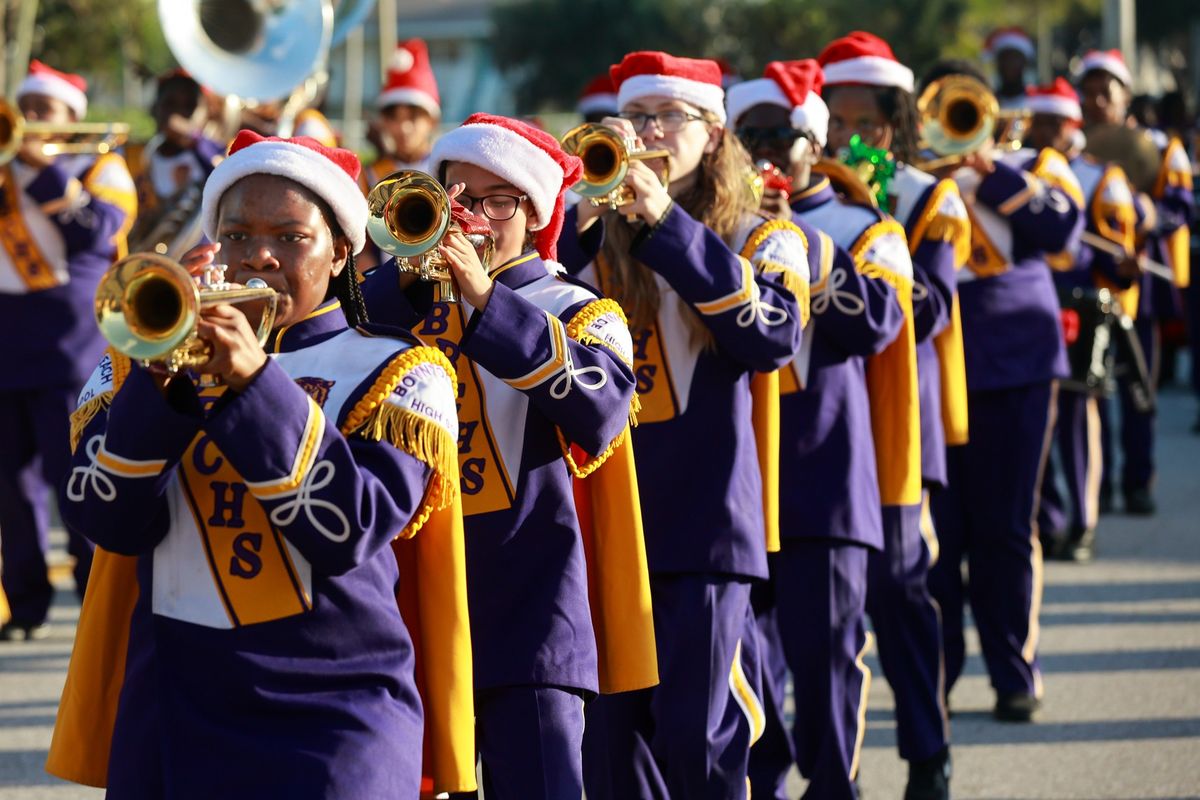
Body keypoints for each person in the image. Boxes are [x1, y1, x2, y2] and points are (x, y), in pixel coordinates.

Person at [48, 130, 472, 798]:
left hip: (335, 717)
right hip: (175, 711)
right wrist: (156, 388)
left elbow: (344, 531)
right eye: (238, 236)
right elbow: (106, 519)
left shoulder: (400, 372)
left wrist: (254, 385)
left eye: (290, 237)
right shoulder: (139, 366)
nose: (260, 257)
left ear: (340, 253)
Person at [362, 114, 651, 800]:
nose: (473, 217)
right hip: (418, 611)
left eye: (497, 200)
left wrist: (486, 301)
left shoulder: (576, 306)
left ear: (535, 211)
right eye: (455, 196)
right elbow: (338, 334)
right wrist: (404, 278)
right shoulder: (394, 306)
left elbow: (602, 410)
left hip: (535, 610)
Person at [561, 50, 808, 800]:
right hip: (612, 521)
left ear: (715, 130)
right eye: (634, 117)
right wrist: (575, 227)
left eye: (669, 117)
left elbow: (770, 335)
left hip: (705, 524)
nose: (648, 133)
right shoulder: (594, 233)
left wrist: (664, 221)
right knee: (609, 751)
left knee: (699, 742)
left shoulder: (764, 233)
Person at [730, 57, 906, 800]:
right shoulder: (715, 227)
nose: (765, 151)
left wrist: (801, 242)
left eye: (780, 134)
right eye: (749, 135)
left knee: (826, 661)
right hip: (738, 483)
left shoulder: (865, 224)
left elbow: (882, 322)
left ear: (813, 140)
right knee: (747, 672)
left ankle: (837, 788)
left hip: (821, 476)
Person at [819, 31, 969, 798]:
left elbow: (935, 305)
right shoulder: (802, 187)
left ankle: (927, 748)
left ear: (896, 123)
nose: (849, 137)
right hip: (820, 426)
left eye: (865, 124)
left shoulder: (924, 196)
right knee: (822, 614)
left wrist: (871, 232)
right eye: (836, 120)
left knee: (903, 591)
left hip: (898, 419)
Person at [921, 59, 1084, 723]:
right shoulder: (911, 177)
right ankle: (938, 681)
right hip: (936, 368)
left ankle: (1016, 674)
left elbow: (1064, 231)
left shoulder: (1034, 164)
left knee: (1008, 529)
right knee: (942, 537)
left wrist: (988, 169)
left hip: (1016, 362)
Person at [0, 60, 136, 640]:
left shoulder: (100, 165)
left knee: (74, 475)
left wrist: (46, 173)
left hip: (70, 345)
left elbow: (97, 230)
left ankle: (92, 597)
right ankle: (26, 602)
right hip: (7, 340)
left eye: (43, 110)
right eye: (25, 108)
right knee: (11, 484)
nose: (30, 120)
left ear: (71, 119)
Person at [1024, 78, 1139, 561]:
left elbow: (1117, 254)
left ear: (1074, 126)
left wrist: (1123, 265)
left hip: (1079, 306)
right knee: (1033, 419)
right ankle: (1046, 519)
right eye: (1042, 121)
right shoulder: (1018, 168)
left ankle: (1083, 521)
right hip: (1029, 307)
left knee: (1075, 416)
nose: (1049, 130)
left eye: (1059, 121)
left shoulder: (1100, 176)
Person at [1079, 49, 1194, 514]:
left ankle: (1138, 481)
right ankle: (1099, 483)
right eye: (1088, 92)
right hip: (1089, 286)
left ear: (1125, 96)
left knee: (1138, 391)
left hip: (1139, 293)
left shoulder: (1163, 147)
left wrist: (1148, 219)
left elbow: (1182, 207)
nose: (1096, 101)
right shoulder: (1070, 150)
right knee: (1093, 391)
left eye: (1105, 92)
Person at [125, 69, 224, 256]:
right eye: (169, 104)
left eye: (189, 106)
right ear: (155, 109)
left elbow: (223, 178)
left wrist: (194, 139)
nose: (177, 114)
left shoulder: (216, 152)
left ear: (207, 112)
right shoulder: (134, 155)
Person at [364, 39, 441, 187]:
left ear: (432, 121)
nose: (403, 128)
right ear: (383, 122)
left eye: (413, 118)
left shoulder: (446, 171)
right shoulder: (369, 176)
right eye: (394, 118)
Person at [984, 27, 1036, 111]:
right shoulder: (987, 101)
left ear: (1025, 63)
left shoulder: (1037, 101)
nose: (1009, 64)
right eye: (1004, 58)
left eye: (1015, 58)